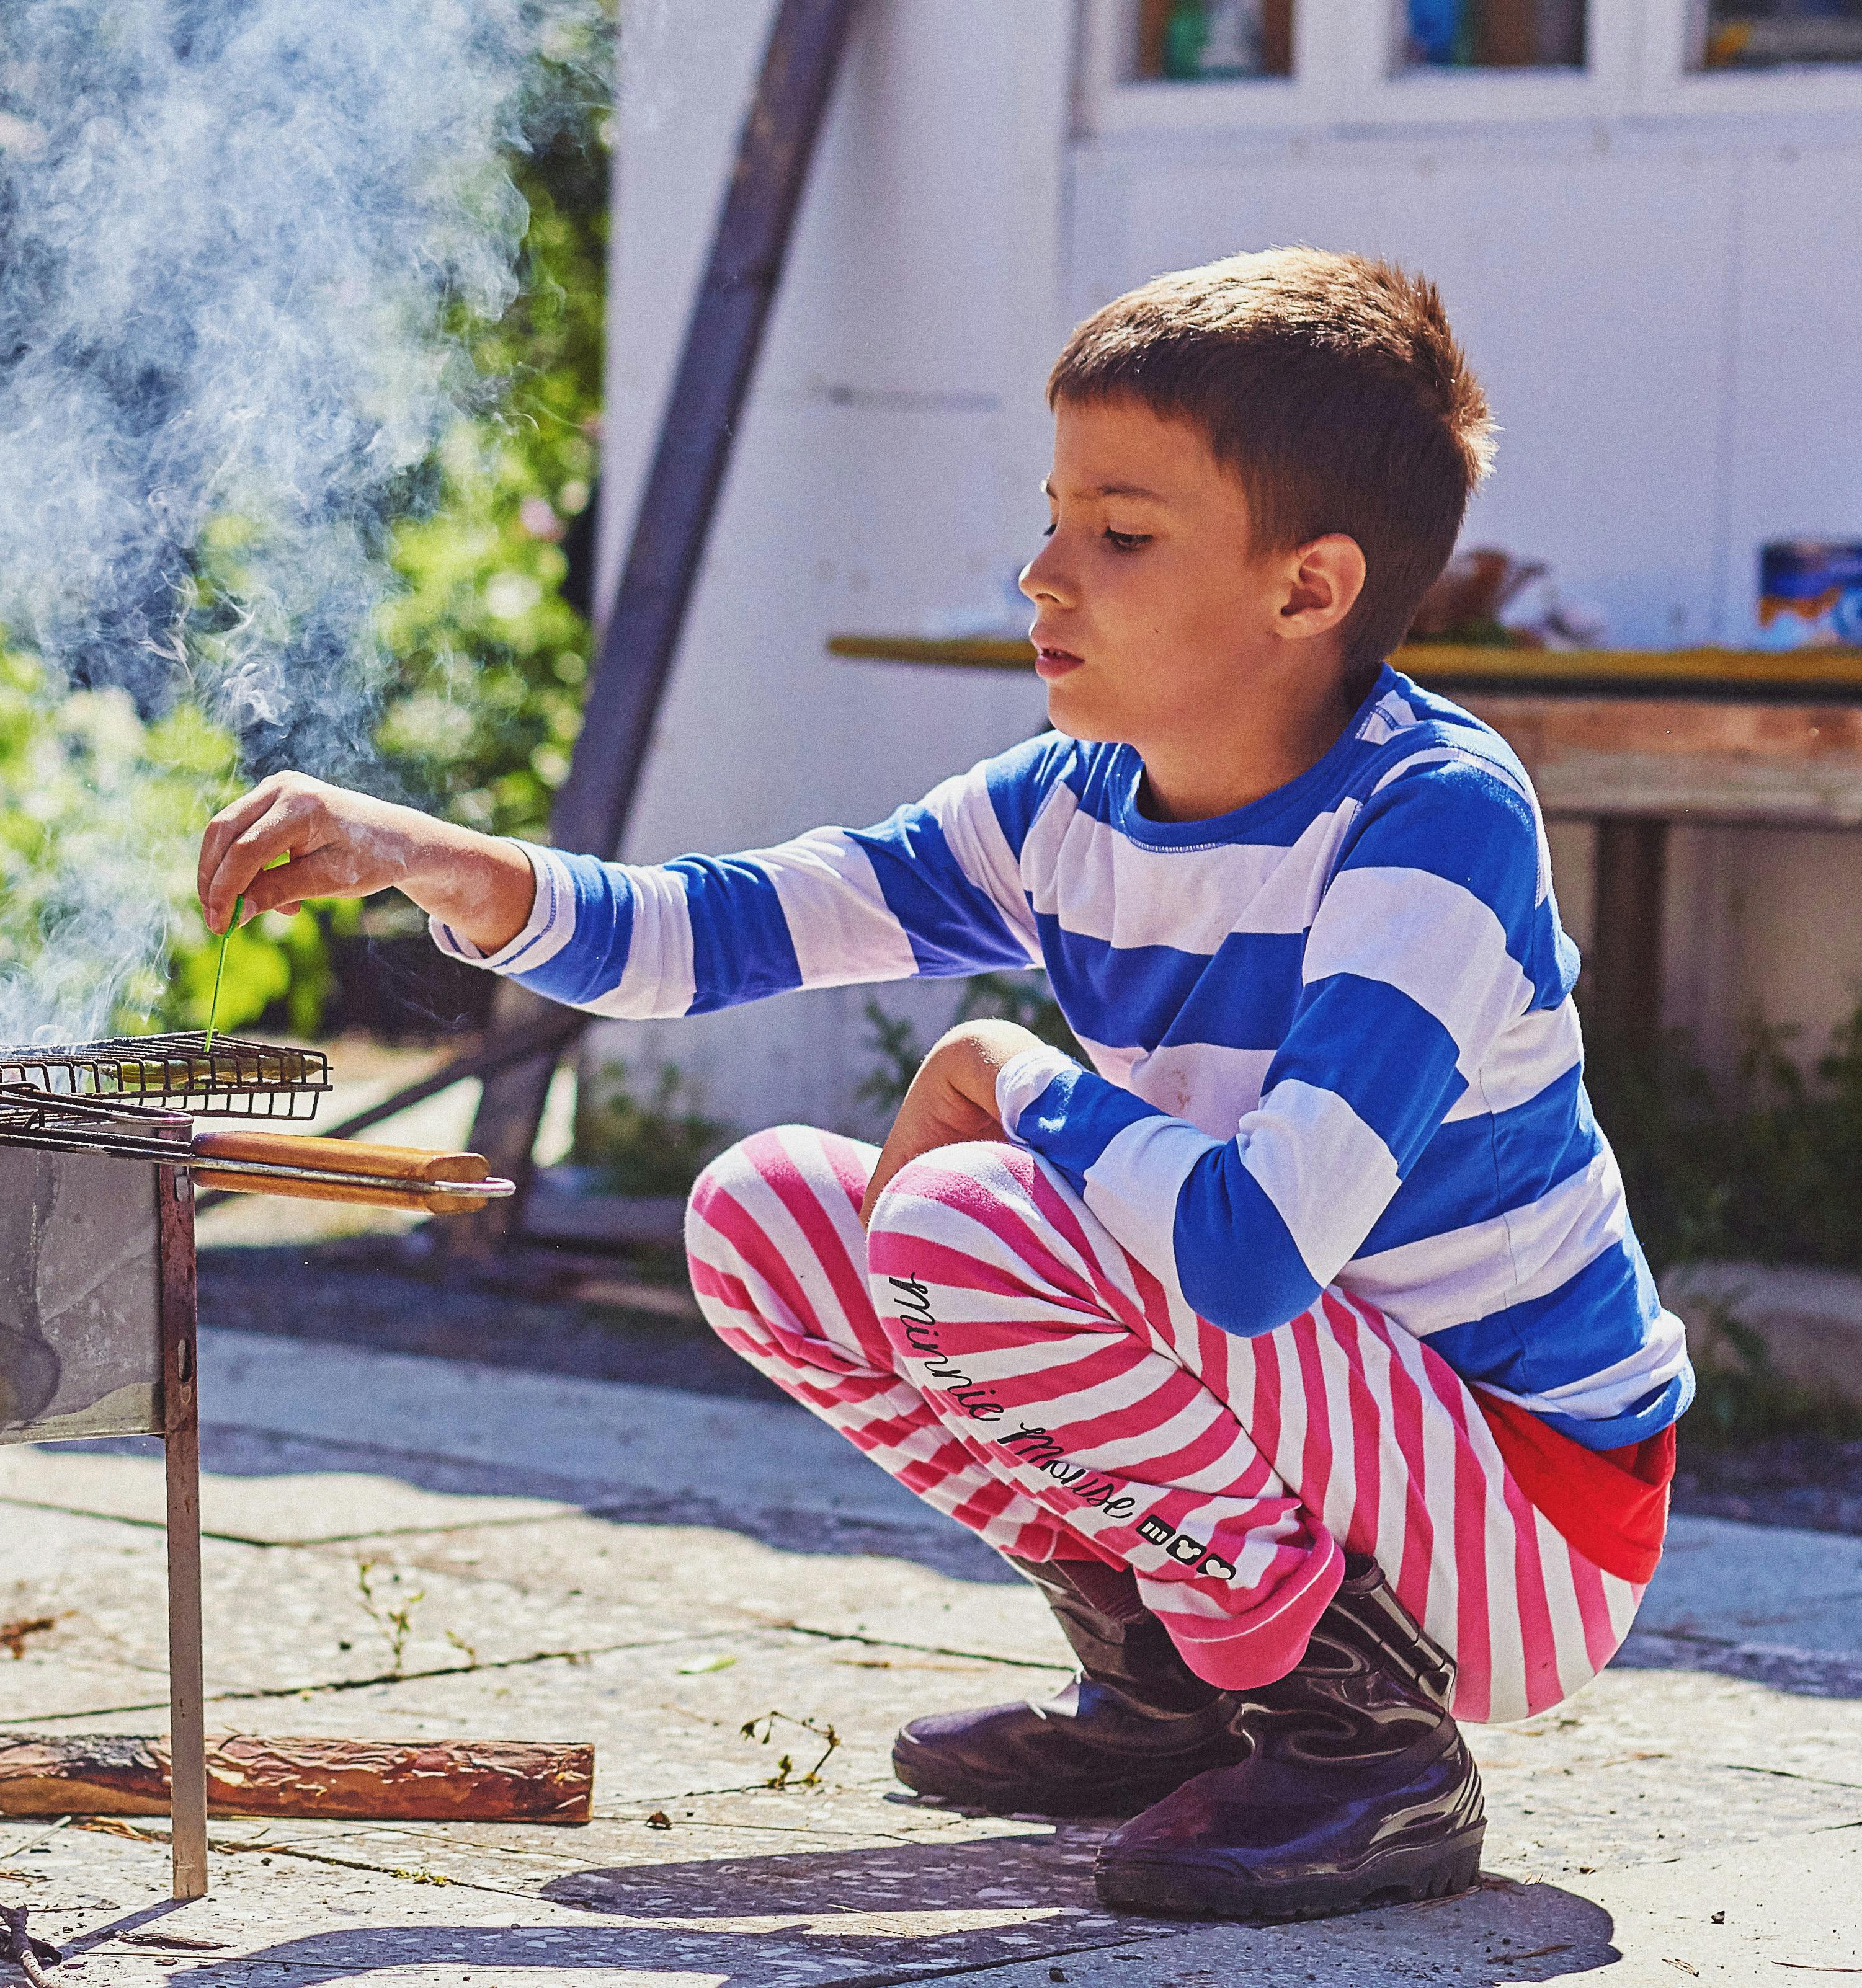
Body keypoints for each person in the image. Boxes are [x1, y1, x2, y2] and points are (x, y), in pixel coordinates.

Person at [192, 246, 1688, 1922]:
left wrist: (999, 1070)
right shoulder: (1071, 805)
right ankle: (1172, 1681)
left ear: (1307, 588)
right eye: (1053, 515)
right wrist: (425, 858)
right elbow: (713, 930)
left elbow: (1262, 1249)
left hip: (1520, 1511)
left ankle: (1365, 1753)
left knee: (976, 1214)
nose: (1041, 573)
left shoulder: (1428, 823)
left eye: (1119, 535)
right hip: (1320, 1428)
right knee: (766, 1210)